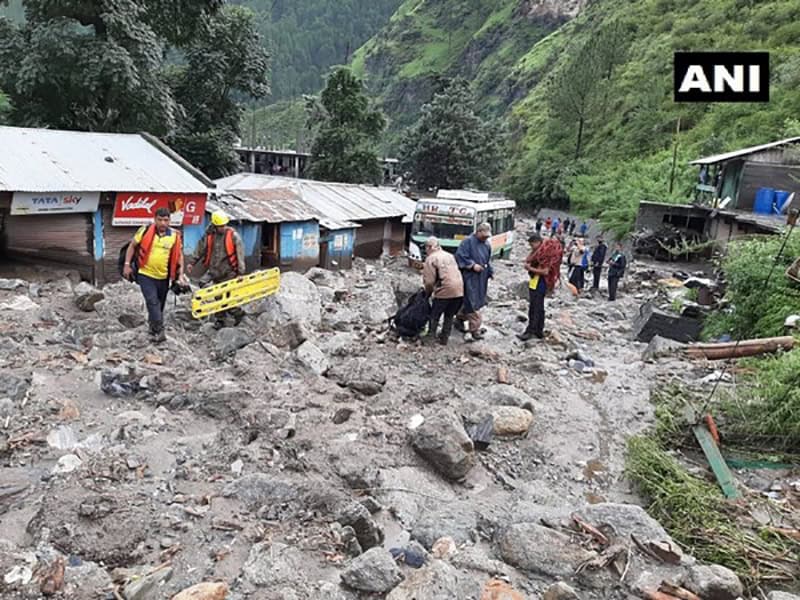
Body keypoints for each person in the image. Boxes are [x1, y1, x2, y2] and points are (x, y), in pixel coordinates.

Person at [122, 207, 184, 343]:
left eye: (166, 220)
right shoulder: (145, 230)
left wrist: (180, 276)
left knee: (159, 305)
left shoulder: (174, 236)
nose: (163, 223)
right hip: (145, 274)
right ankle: (160, 331)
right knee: (152, 301)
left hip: (164, 277)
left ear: (170, 221)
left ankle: (152, 327)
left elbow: (179, 257)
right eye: (160, 220)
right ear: (155, 219)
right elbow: (132, 246)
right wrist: (127, 264)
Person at [187, 211, 247, 329]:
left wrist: (240, 272)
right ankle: (221, 319)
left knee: (225, 297)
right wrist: (192, 262)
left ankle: (236, 313)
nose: (222, 228)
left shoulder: (233, 236)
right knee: (215, 294)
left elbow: (240, 254)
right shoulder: (209, 236)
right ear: (215, 225)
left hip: (229, 272)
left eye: (224, 225)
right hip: (214, 270)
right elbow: (200, 248)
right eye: (220, 226)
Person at [518, 234, 562, 341]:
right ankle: (539, 330)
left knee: (535, 308)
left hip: (540, 282)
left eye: (532, 244)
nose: (531, 247)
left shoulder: (544, 255)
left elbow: (545, 271)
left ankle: (531, 331)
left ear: (537, 242)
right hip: (536, 282)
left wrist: (530, 268)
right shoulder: (540, 253)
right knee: (539, 307)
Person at [455, 223, 493, 341]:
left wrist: (490, 271)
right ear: (478, 232)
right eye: (484, 235)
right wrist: (472, 265)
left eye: (487, 236)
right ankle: (474, 329)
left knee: (476, 299)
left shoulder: (487, 245)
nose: (485, 238)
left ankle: (459, 318)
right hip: (469, 276)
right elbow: (460, 256)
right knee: (471, 301)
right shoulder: (467, 242)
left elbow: (487, 260)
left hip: (481, 277)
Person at [422, 237, 464, 345]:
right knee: (449, 315)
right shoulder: (449, 255)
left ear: (429, 247)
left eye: (426, 248)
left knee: (435, 315)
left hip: (445, 289)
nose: (426, 250)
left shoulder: (431, 259)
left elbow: (429, 281)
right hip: (459, 290)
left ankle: (430, 337)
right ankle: (444, 337)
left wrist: (427, 294)